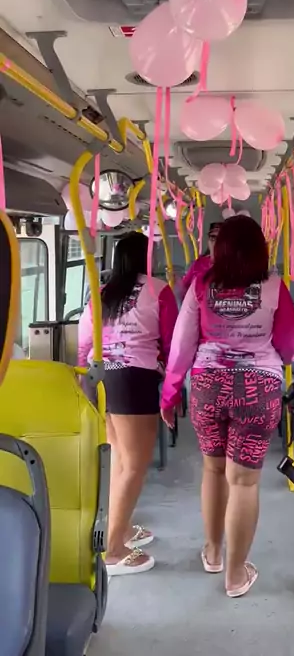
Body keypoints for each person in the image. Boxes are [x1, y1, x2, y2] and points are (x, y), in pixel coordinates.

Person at [161, 215, 294, 597]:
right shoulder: (274, 286)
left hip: (208, 384)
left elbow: (181, 345)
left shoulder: (202, 285)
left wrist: (169, 395)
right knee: (244, 481)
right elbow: (290, 346)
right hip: (258, 386)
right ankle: (236, 576)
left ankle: (213, 552)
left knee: (213, 469)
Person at [77, 232, 178, 576]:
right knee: (134, 465)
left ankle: (117, 528)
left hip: (101, 377)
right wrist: (171, 385)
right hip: (135, 378)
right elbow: (171, 341)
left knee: (119, 459)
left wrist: (84, 384)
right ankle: (112, 550)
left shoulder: (102, 293)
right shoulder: (159, 290)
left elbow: (84, 342)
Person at [177, 222, 221, 302]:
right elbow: (184, 290)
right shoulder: (199, 263)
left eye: (221, 239)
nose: (216, 243)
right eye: (213, 238)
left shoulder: (233, 267)